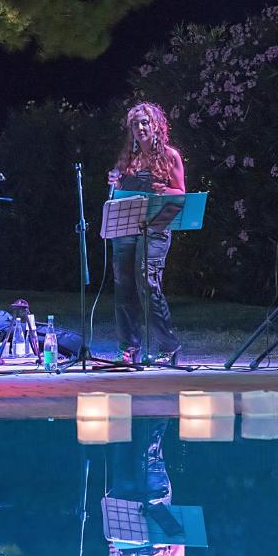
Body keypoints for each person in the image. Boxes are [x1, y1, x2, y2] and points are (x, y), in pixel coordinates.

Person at [106, 102, 185, 366]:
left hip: (157, 226)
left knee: (147, 280)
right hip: (127, 226)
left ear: (156, 125)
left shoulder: (170, 156)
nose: (140, 128)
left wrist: (165, 191)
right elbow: (121, 194)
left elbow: (181, 194)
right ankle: (128, 348)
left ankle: (168, 346)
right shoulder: (128, 158)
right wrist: (115, 182)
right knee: (122, 284)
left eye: (144, 122)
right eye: (135, 124)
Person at [105, 418, 186, 556]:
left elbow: (119, 530)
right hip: (155, 498)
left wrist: (116, 545)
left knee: (122, 448)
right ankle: (159, 404)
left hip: (127, 495)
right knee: (147, 452)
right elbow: (181, 532)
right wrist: (162, 539)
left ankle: (121, 403)